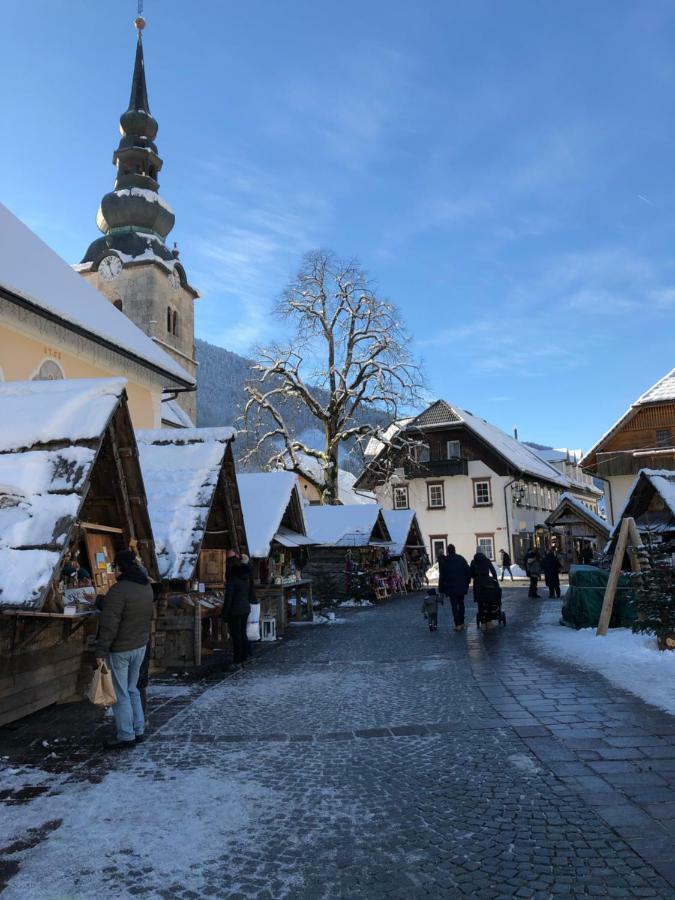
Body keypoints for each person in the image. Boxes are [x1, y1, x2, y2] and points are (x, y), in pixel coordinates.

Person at [94, 549, 154, 749]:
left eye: (115, 567)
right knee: (132, 689)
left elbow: (109, 625)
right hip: (140, 646)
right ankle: (138, 730)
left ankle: (126, 735)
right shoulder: (146, 586)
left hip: (121, 649)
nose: (114, 571)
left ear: (121, 567)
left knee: (121, 694)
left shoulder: (119, 590)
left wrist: (101, 652)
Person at [221, 550, 254, 669]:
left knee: (236, 636)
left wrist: (224, 614)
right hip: (245, 608)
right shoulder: (245, 579)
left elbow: (228, 599)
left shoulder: (232, 581)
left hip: (235, 611)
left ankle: (237, 660)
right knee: (242, 634)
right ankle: (245, 657)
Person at [439, 544, 471, 632]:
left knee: (454, 606)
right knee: (461, 604)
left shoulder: (445, 561)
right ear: (455, 550)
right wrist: (467, 583)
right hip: (461, 586)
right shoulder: (461, 559)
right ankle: (462, 622)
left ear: (448, 551)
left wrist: (441, 589)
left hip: (451, 587)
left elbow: (442, 575)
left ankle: (457, 625)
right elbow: (468, 571)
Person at [470, 550, 500, 628]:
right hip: (487, 583)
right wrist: (495, 579)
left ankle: (482, 623)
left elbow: (471, 573)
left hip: (477, 584)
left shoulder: (473, 562)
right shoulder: (486, 560)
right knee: (489, 601)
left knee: (480, 603)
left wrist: (475, 577)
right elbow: (493, 571)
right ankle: (488, 622)